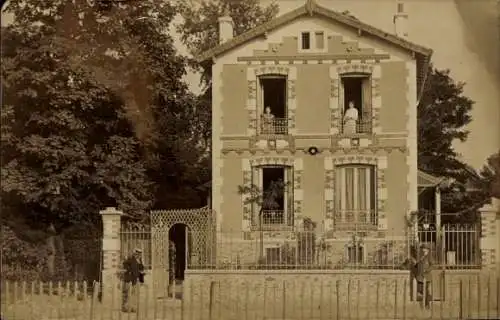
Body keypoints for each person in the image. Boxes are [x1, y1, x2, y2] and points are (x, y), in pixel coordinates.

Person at [122, 248, 145, 312]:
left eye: (140, 254)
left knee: (134, 294)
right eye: (138, 254)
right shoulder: (130, 259)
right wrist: (129, 270)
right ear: (135, 254)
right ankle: (125, 307)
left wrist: (141, 280)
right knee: (126, 294)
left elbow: (141, 269)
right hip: (128, 279)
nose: (139, 255)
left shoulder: (139, 260)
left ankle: (133, 307)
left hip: (135, 280)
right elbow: (124, 264)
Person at [413, 243, 433, 309]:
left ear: (427, 250)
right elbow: (418, 265)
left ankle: (427, 304)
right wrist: (415, 264)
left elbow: (432, 266)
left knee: (426, 290)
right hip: (420, 276)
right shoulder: (422, 257)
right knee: (420, 289)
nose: (423, 250)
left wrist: (427, 270)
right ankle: (428, 298)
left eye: (424, 249)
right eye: (422, 249)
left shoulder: (429, 257)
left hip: (426, 276)